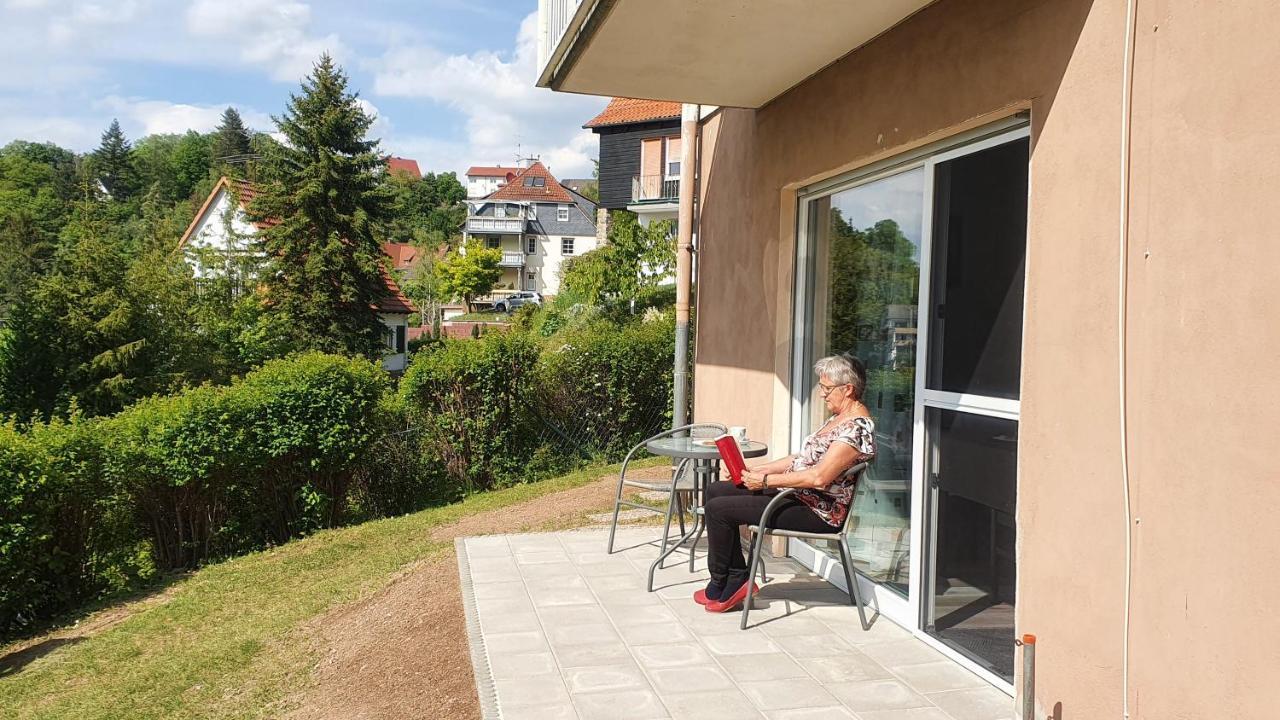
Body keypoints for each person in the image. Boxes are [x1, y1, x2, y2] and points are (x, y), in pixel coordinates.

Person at [698, 353, 877, 612]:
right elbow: (800, 459)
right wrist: (755, 470)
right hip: (796, 496)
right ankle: (725, 578)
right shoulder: (838, 420)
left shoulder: (857, 429)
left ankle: (732, 579)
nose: (821, 394)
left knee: (719, 510)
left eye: (826, 388)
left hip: (818, 511)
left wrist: (765, 481)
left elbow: (819, 477)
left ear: (848, 389)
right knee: (716, 490)